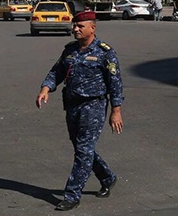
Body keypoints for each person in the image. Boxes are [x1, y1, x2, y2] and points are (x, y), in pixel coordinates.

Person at [36, 11, 124, 211]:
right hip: (72, 105)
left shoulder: (105, 52)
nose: (75, 29)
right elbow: (56, 72)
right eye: (74, 26)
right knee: (82, 148)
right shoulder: (70, 50)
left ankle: (72, 194)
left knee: (84, 150)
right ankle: (107, 177)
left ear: (92, 28)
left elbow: (115, 83)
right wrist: (45, 89)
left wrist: (116, 110)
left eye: (80, 26)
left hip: (93, 105)